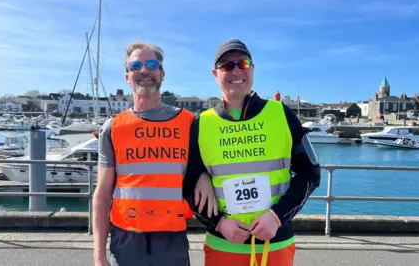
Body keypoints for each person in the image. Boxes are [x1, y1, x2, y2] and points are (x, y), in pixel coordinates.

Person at [185, 39, 321, 265]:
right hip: (223, 245)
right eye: (227, 65)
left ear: (253, 68)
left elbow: (311, 174)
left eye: (243, 63)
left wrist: (277, 216)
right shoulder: (201, 124)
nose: (236, 70)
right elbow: (188, 184)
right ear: (215, 73)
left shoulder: (281, 114)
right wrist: (218, 223)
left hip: (275, 243)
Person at [93, 41, 217, 266]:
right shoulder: (113, 127)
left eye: (151, 64)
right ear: (127, 77)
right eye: (135, 66)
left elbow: (208, 162)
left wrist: (204, 175)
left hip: (172, 238)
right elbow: (102, 195)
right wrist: (99, 255)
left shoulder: (188, 122)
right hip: (126, 240)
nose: (144, 71)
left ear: (162, 73)